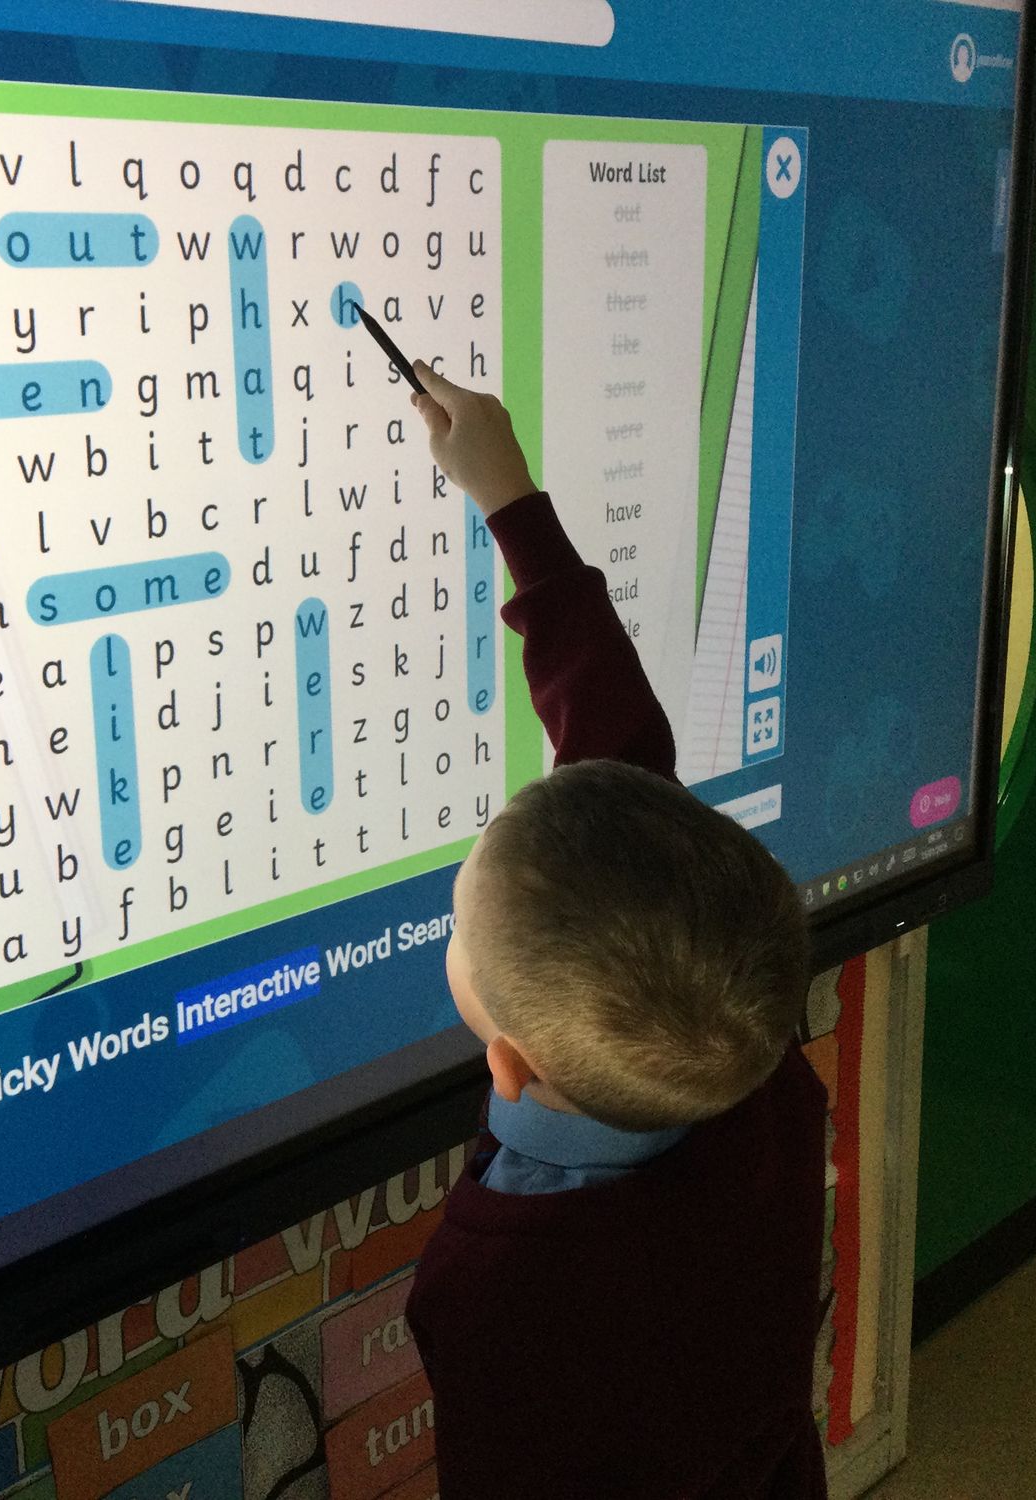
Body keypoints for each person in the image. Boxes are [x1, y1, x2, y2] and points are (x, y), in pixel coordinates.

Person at [401, 360, 829, 1499]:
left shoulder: (492, 1285)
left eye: (458, 927)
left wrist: (511, 501)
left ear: (509, 1061)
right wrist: (510, 501)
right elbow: (622, 759)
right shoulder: (752, 1079)